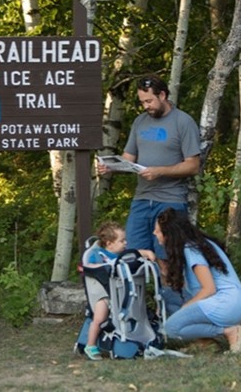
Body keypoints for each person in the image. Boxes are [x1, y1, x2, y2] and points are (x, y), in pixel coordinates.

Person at [97, 74, 201, 265]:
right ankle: (141, 295)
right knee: (131, 255)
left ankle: (171, 294)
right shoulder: (140, 122)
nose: (146, 106)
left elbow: (193, 165)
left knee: (166, 259)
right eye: (142, 102)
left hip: (170, 200)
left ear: (162, 95)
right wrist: (111, 167)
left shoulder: (183, 122)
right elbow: (129, 159)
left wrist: (159, 171)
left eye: (149, 101)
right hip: (142, 199)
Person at [140, 208, 241, 353]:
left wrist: (186, 308)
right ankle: (206, 341)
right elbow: (178, 284)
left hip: (225, 304)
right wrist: (156, 261)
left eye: (157, 230)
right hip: (234, 302)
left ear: (170, 234)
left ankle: (229, 331)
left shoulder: (191, 249)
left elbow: (209, 289)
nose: (154, 233)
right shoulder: (198, 244)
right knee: (168, 297)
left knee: (171, 328)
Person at [81, 221, 127, 361]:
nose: (126, 243)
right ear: (109, 243)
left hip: (115, 290)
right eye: (122, 241)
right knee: (100, 317)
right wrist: (103, 266)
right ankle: (90, 345)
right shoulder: (97, 254)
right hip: (100, 291)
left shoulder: (121, 255)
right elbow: (88, 266)